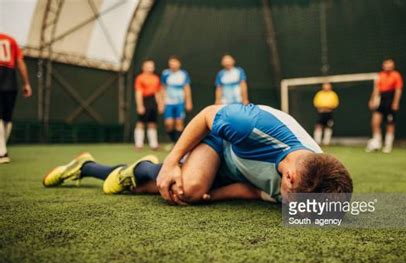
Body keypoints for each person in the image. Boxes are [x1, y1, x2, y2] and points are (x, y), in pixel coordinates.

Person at [43, 103, 353, 205]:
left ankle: (86, 166)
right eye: (292, 204)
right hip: (219, 144)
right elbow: (206, 117)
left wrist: (215, 194)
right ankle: (153, 166)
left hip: (238, 170)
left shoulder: (312, 179)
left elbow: (253, 190)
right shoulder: (249, 125)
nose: (291, 210)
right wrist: (171, 164)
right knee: (187, 188)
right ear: (291, 177)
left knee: (186, 192)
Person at [0, 33, 32, 164]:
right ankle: (2, 149)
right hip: (10, 79)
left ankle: (2, 152)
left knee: (1, 117)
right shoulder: (11, 39)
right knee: (7, 118)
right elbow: (20, 62)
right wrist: (26, 83)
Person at [367, 58, 403, 153]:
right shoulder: (380, 75)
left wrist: (395, 102)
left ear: (393, 65)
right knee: (375, 122)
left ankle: (388, 145)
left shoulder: (396, 75)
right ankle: (377, 143)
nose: (388, 66)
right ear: (383, 65)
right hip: (381, 100)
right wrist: (372, 100)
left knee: (390, 123)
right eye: (386, 64)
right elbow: (376, 89)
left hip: (390, 99)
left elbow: (398, 90)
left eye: (390, 64)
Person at [161, 56, 192, 144]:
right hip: (168, 103)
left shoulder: (183, 74)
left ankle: (178, 144)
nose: (173, 65)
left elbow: (187, 88)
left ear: (179, 64)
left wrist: (188, 102)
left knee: (179, 123)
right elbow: (162, 88)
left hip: (180, 102)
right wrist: (161, 102)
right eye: (171, 63)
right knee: (168, 124)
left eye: (175, 63)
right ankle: (173, 140)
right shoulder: (165, 73)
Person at [134, 59, 163, 150]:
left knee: (152, 123)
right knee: (141, 123)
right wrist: (140, 105)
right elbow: (138, 93)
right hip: (144, 100)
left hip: (153, 101)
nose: (151, 68)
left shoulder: (156, 78)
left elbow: (158, 93)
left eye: (152, 66)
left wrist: (160, 104)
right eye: (148, 66)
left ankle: (154, 145)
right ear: (144, 67)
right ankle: (139, 144)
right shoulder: (140, 78)